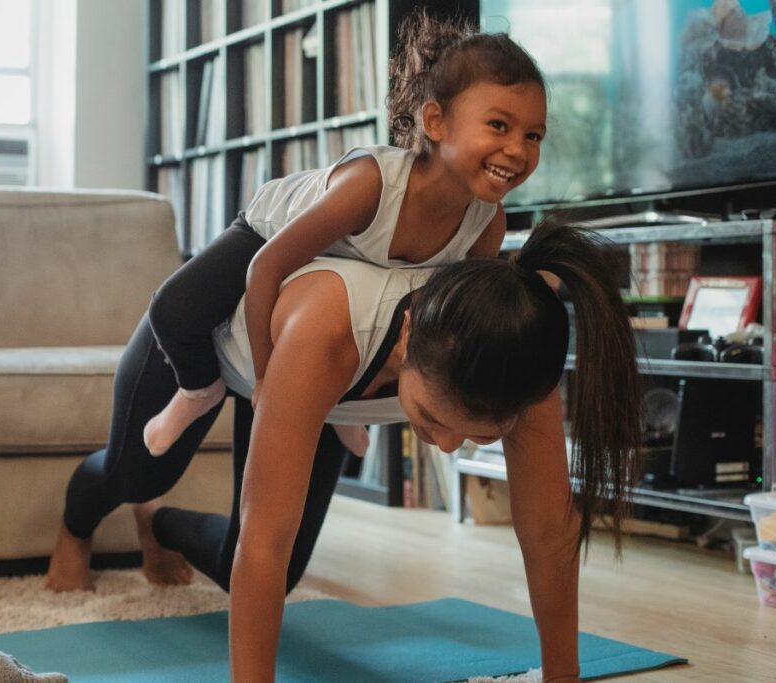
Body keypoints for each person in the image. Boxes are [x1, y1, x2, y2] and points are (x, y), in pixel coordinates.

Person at [46, 219, 642, 683]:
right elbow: (264, 537)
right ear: (407, 338)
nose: (452, 443)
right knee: (137, 473)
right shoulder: (332, 332)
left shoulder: (516, 356)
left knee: (268, 577)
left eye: (479, 436)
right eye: (434, 418)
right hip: (202, 349)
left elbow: (547, 532)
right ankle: (77, 527)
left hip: (306, 391)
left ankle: (159, 526)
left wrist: (562, 674)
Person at [141, 8, 549, 458]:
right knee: (171, 309)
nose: (518, 149)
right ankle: (198, 392)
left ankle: (339, 416)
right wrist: (264, 380)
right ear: (435, 122)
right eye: (499, 125)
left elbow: (452, 318)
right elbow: (265, 268)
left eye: (534, 136)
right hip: (265, 232)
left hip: (350, 275)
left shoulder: (486, 222)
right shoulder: (371, 186)